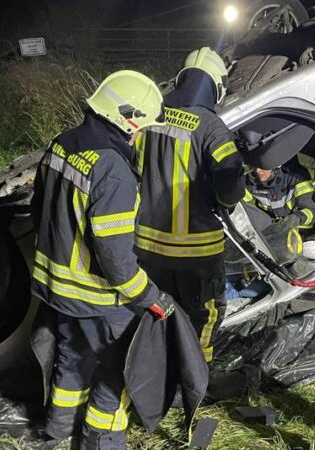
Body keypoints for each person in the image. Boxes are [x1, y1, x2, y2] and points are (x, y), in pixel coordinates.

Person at [31, 70, 175, 450]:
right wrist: (149, 298)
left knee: (71, 362)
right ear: (128, 119)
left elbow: (38, 210)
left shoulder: (61, 144)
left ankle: (58, 432)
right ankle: (103, 443)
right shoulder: (112, 168)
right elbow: (115, 258)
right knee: (117, 376)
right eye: (143, 127)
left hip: (55, 291)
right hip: (96, 298)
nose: (141, 135)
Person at [135, 47, 245, 364]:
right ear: (216, 86)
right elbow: (230, 188)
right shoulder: (211, 127)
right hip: (196, 250)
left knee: (159, 309)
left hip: (149, 247)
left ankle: (158, 369)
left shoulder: (151, 119)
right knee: (205, 313)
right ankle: (195, 379)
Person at [244, 162, 315, 233]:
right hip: (268, 233)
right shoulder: (247, 182)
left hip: (299, 232)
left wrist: (296, 219)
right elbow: (242, 206)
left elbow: (313, 211)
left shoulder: (296, 177)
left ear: (275, 163)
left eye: (262, 166)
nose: (257, 170)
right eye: (254, 165)